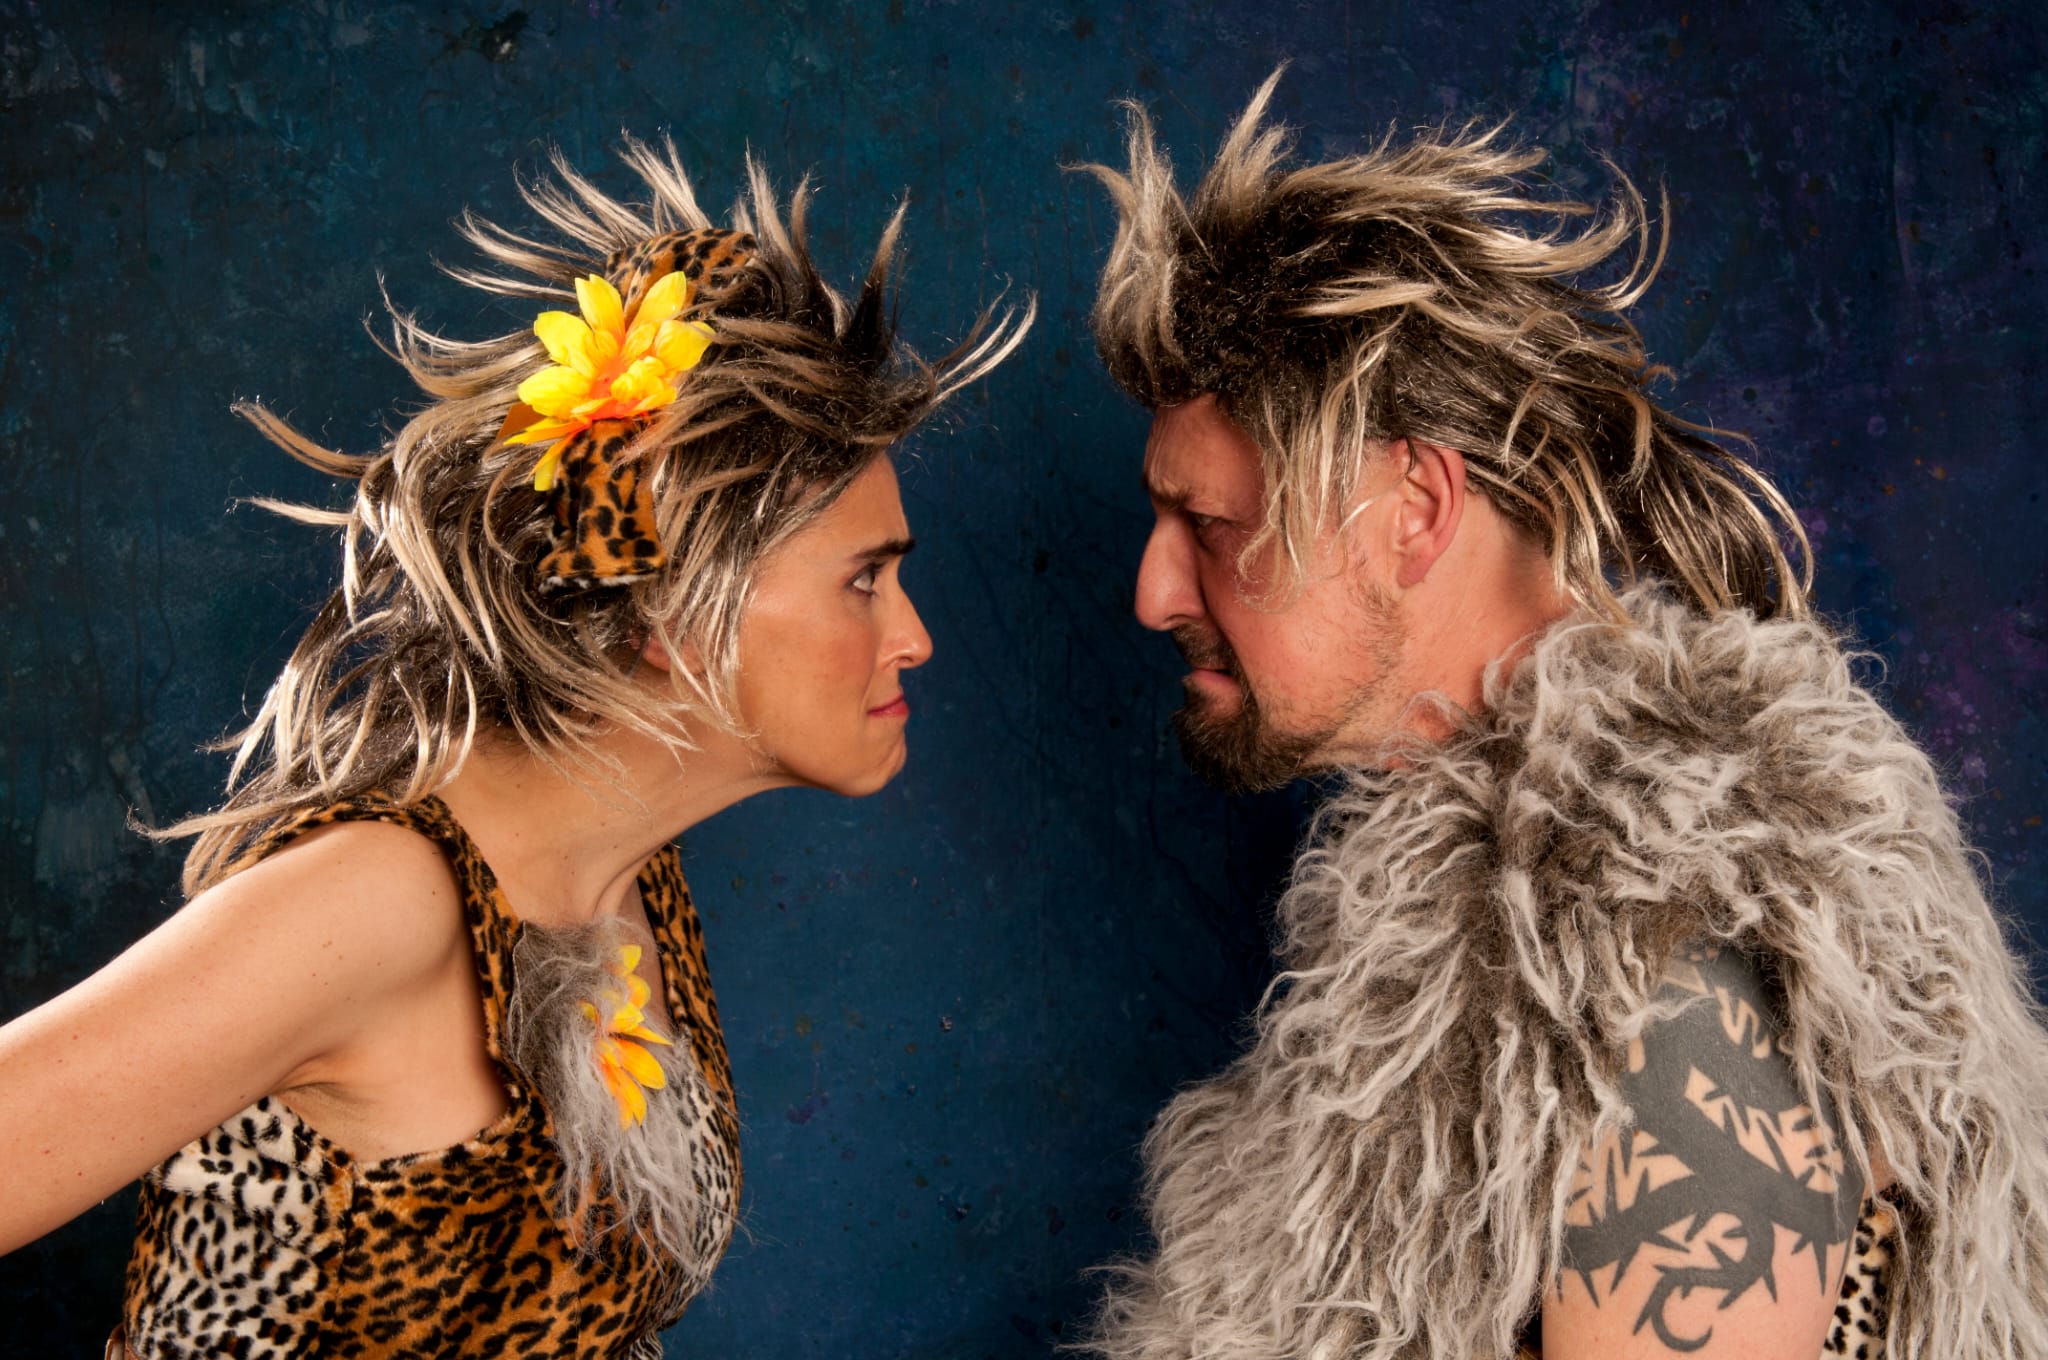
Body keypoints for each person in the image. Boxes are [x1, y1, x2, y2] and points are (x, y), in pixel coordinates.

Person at [0, 140, 1028, 1358]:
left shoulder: (626, 879)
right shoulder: (378, 900)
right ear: (670, 610)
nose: (912, 637)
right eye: (863, 579)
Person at [1079, 72, 2048, 1360]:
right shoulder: (1447, 960)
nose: (1152, 592)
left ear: (1413, 508)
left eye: (1206, 523)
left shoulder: (1668, 980)